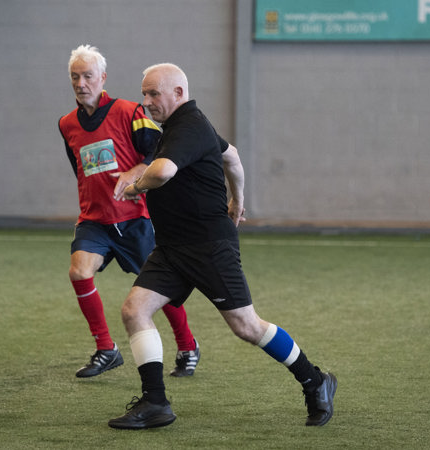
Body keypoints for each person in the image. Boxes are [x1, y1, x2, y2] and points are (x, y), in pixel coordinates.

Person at [107, 63, 336, 429]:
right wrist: (238, 200)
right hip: (172, 247)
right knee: (135, 310)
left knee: (246, 326)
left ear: (178, 93)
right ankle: (155, 403)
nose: (146, 101)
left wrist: (134, 184)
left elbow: (163, 171)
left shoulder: (189, 126)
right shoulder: (187, 128)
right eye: (144, 93)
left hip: (208, 245)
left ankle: (315, 381)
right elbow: (232, 156)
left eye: (153, 93)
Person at [59, 45, 201, 379]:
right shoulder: (67, 124)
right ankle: (106, 349)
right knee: (79, 272)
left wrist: (135, 171)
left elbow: (161, 152)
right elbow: (78, 167)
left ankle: (187, 345)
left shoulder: (128, 111)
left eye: (88, 75)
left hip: (135, 219)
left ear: (102, 78)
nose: (81, 82)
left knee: (160, 290)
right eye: (75, 77)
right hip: (94, 220)